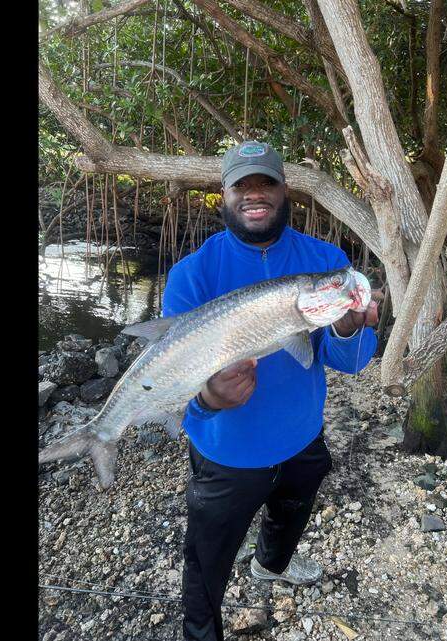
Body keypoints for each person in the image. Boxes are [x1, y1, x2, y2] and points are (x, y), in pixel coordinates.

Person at [163, 140, 380, 641]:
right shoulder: (192, 274)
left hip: (303, 439)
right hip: (226, 456)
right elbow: (174, 381)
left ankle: (269, 565)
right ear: (225, 194)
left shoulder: (325, 261)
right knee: (205, 562)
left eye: (266, 183)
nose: (254, 195)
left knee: (289, 518)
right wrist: (207, 400)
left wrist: (348, 329)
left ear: (286, 192)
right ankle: (200, 631)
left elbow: (349, 362)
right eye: (243, 185)